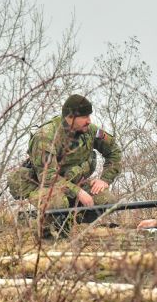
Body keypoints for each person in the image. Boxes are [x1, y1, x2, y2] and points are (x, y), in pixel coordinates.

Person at [7, 94, 122, 237]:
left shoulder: (91, 131)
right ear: (71, 117)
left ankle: (71, 225)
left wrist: (105, 179)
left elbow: (114, 151)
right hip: (44, 186)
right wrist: (78, 192)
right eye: (84, 117)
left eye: (89, 116)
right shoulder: (45, 136)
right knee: (58, 203)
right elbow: (48, 178)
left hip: (74, 183)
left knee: (107, 200)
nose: (89, 121)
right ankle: (42, 229)